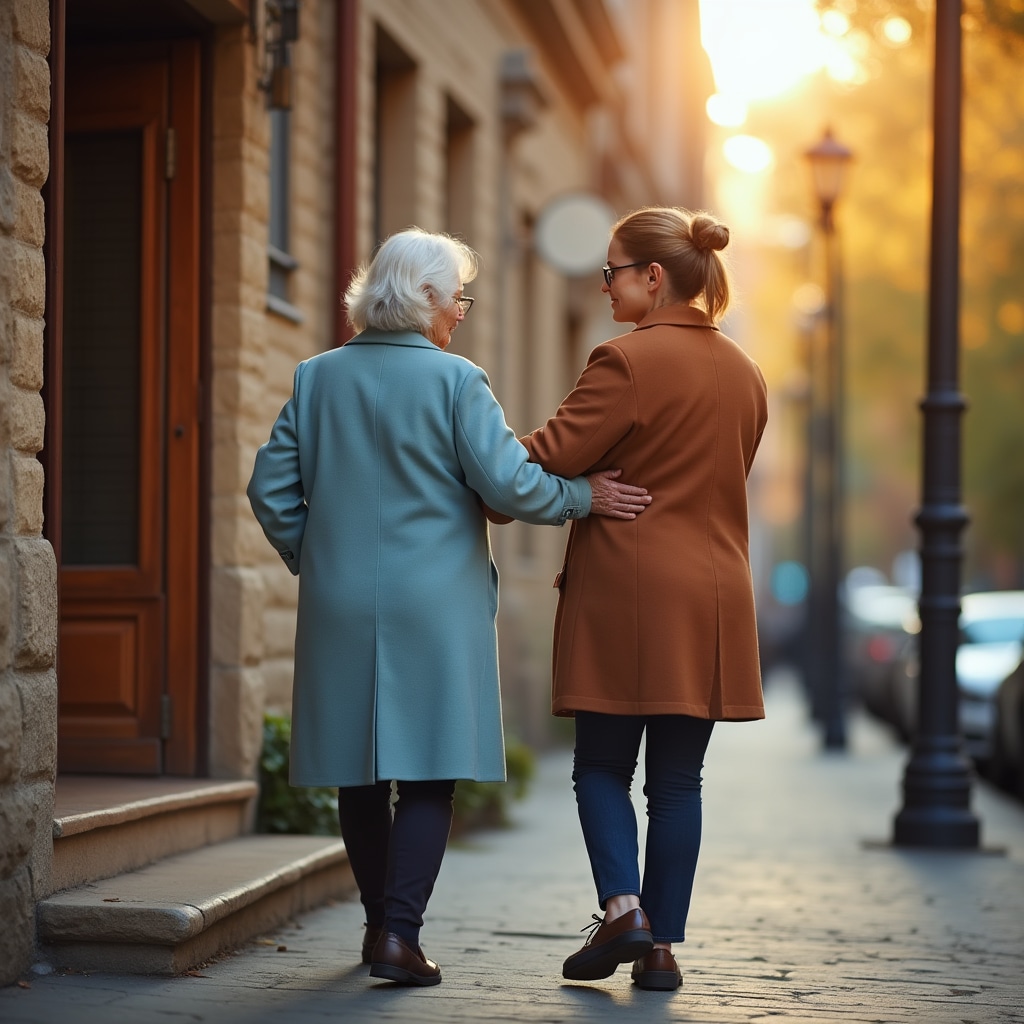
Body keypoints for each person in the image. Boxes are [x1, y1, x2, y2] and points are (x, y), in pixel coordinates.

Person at [246, 228, 650, 988]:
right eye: (455, 297)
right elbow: (507, 486)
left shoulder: (315, 377)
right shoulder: (458, 382)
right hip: (434, 606)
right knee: (429, 774)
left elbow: (269, 491)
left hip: (339, 604)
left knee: (358, 774)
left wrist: (318, 556)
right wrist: (583, 497)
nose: (460, 313)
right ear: (424, 297)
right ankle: (399, 936)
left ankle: (376, 930)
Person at [516, 207, 768, 990]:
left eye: (613, 271)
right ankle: (659, 951)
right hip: (713, 600)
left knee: (600, 767)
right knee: (678, 784)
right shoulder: (746, 373)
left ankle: (624, 908)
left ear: (653, 277)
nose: (605, 286)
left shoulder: (624, 362)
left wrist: (475, 445)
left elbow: (549, 455)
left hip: (629, 591)